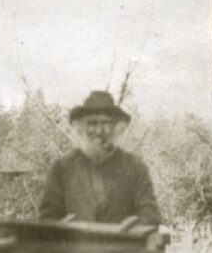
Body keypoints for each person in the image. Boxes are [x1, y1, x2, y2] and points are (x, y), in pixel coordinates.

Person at [38, 90, 162, 225]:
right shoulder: (62, 167)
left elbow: (151, 213)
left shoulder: (135, 166)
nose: (99, 131)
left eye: (105, 123)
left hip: (123, 245)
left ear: (115, 127)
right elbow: (47, 218)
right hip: (73, 245)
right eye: (92, 123)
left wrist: (136, 223)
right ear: (81, 127)